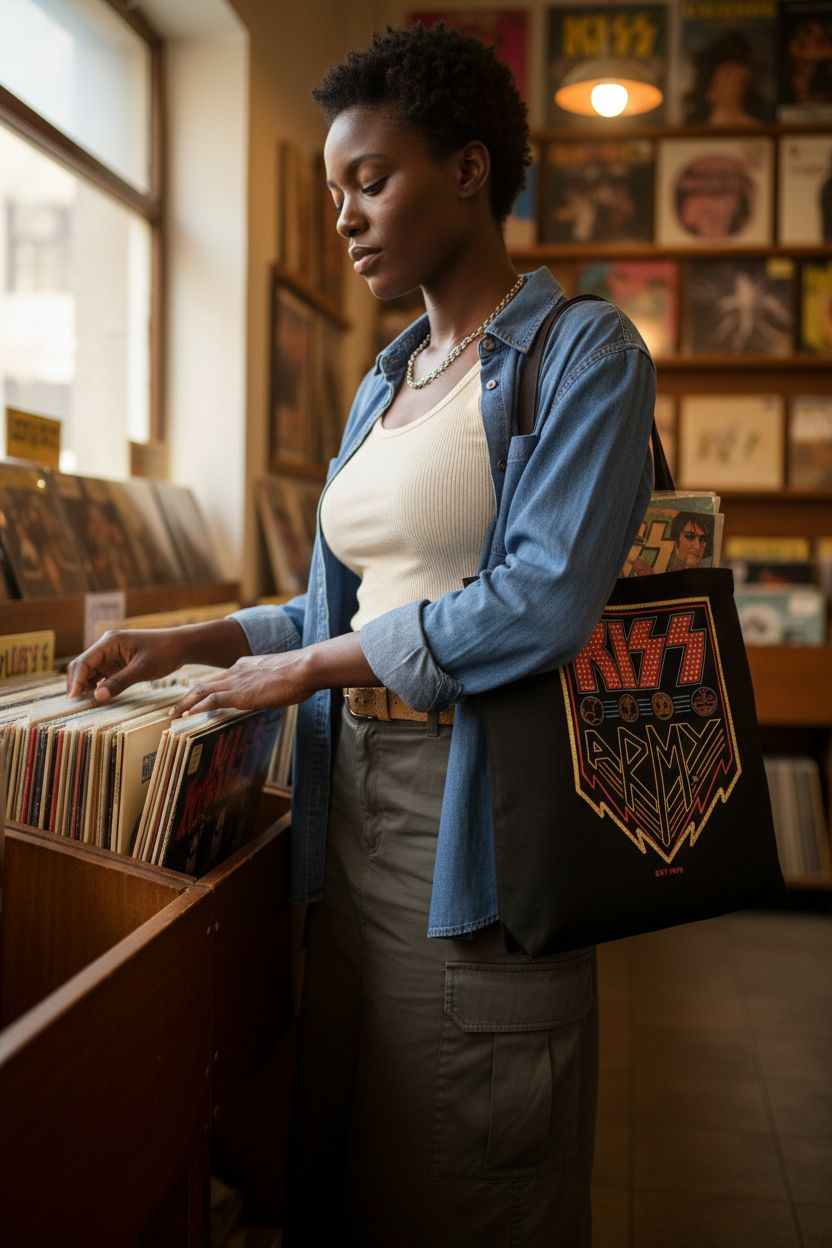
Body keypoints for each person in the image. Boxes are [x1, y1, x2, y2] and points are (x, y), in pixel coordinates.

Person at [66, 24, 655, 1246]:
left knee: (470, 1176)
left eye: (370, 180)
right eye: (334, 192)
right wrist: (187, 641)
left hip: (476, 820)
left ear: (470, 168)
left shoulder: (581, 353)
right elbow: (338, 614)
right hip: (347, 820)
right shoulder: (384, 382)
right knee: (345, 1164)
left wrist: (307, 668)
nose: (344, 216)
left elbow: (543, 599)